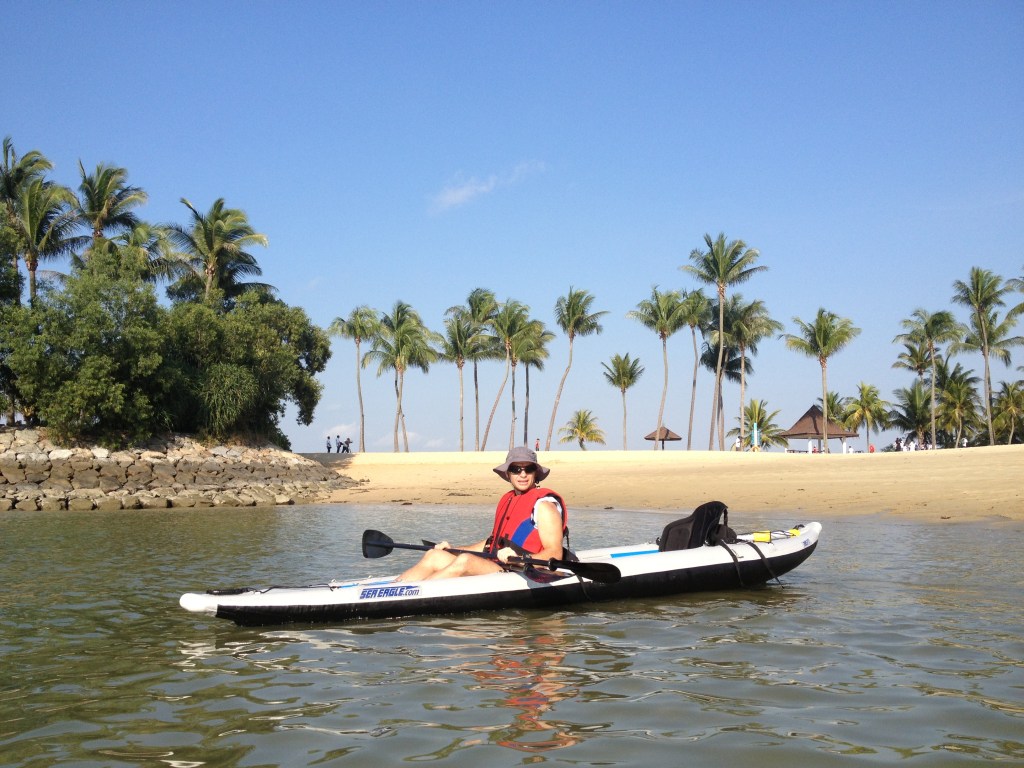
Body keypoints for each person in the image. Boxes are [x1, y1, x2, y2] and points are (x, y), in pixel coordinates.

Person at [399, 447, 567, 581]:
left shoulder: (544, 506)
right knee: (434, 555)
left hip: (520, 570)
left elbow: (555, 553)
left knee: (466, 561)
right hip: (495, 565)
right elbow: (491, 543)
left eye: (528, 469)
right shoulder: (507, 500)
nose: (522, 474)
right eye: (516, 469)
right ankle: (394, 589)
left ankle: (410, 597)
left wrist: (521, 558)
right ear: (508, 474)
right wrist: (454, 550)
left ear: (535, 473)